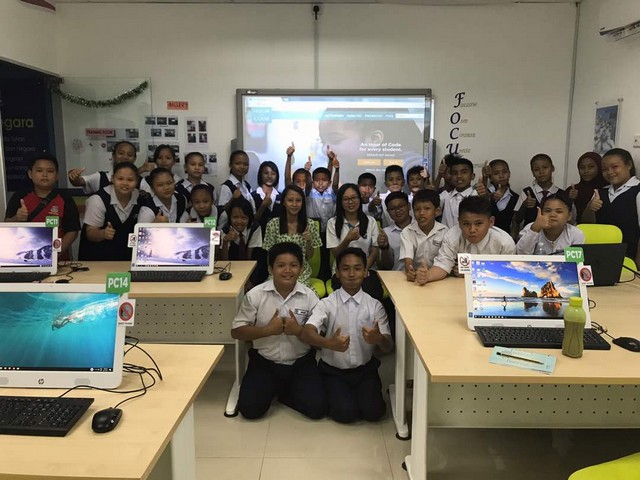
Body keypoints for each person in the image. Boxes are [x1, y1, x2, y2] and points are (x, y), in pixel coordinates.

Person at [231, 242, 327, 420]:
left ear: (301, 268)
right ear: (270, 268)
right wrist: (266, 330)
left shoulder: (310, 297)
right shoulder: (255, 295)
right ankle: (278, 388)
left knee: (318, 409)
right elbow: (236, 331)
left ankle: (281, 390)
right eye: (281, 265)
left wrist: (298, 331)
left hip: (301, 363)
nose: (287, 271)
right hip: (264, 362)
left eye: (293, 265)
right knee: (250, 410)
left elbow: (320, 338)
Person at [301, 247, 393, 424]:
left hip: (365, 370)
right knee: (344, 414)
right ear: (337, 272)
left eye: (357, 268)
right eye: (345, 268)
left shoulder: (375, 305)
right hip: (333, 371)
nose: (351, 274)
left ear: (366, 272)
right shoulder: (326, 303)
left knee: (374, 412)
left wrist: (379, 339)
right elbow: (307, 333)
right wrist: (329, 343)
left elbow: (388, 346)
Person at [416, 196, 516, 285]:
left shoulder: (505, 243)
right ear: (459, 222)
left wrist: (472, 272)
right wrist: (427, 276)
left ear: (491, 222)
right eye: (466, 224)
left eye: (478, 223)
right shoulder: (452, 236)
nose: (472, 229)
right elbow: (443, 265)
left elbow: (509, 276)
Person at [5, 153, 80, 260]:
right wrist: (17, 218)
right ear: (30, 174)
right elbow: (6, 226)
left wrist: (55, 253)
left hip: (59, 260)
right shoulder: (19, 196)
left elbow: (72, 231)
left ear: (57, 175)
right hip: (24, 258)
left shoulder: (65, 198)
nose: (45, 175)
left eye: (50, 171)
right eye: (39, 170)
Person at [583, 148, 640, 267]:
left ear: (629, 165)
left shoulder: (637, 190)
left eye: (615, 167)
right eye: (605, 169)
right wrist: (590, 208)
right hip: (600, 256)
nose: (609, 172)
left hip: (629, 257)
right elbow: (587, 223)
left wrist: (638, 262)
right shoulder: (600, 192)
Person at [326, 183, 383, 299]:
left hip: (366, 269)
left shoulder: (370, 221)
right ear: (340, 202)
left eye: (354, 198)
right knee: (348, 292)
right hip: (342, 271)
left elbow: (374, 250)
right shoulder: (332, 223)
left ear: (359, 199)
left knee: (370, 290)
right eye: (346, 199)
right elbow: (335, 253)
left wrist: (364, 268)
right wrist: (347, 240)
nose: (350, 202)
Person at [78, 161, 143, 261]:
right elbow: (90, 232)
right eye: (120, 179)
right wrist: (102, 233)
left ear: (137, 181)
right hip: (97, 260)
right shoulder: (98, 199)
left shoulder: (141, 198)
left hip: (126, 259)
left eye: (130, 180)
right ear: (112, 179)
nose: (125, 183)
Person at [262, 185, 322, 289]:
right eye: (290, 200)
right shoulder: (273, 224)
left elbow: (310, 255)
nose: (294, 204)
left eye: (298, 200)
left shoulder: (310, 224)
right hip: (278, 271)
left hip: (300, 271)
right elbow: (270, 255)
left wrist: (308, 241)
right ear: (284, 202)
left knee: (298, 293)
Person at [400, 189, 448, 282]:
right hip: (417, 277)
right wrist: (410, 271)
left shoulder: (444, 231)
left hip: (438, 277)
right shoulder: (407, 232)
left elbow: (445, 261)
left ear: (437, 211)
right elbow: (408, 260)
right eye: (417, 209)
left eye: (427, 208)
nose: (421, 213)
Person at [515, 154, 573, 230]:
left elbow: (569, 220)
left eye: (545, 167)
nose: (541, 172)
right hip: (531, 234)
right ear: (532, 172)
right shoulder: (527, 192)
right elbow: (516, 220)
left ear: (552, 168)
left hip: (555, 234)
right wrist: (524, 205)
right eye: (536, 169)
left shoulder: (562, 194)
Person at [516, 193, 585, 255]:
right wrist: (535, 229)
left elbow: (576, 262)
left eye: (559, 211)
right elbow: (520, 255)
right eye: (547, 211)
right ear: (541, 213)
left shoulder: (575, 234)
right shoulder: (531, 228)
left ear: (569, 216)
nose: (552, 215)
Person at [67, 140, 137, 195]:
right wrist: (74, 176)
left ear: (134, 159)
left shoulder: (140, 181)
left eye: (130, 155)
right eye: (121, 153)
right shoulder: (101, 177)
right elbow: (79, 182)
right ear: (113, 156)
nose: (125, 157)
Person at [476, 159, 521, 237]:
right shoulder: (483, 194)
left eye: (504, 172)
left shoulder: (515, 197)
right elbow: (482, 202)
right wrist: (485, 178)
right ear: (490, 177)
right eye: (496, 173)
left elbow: (515, 223)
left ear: (509, 174)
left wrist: (512, 240)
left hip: (506, 238)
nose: (501, 176)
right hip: (485, 237)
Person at [566, 152, 607, 224]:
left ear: (599, 168)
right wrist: (571, 200)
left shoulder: (607, 189)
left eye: (591, 167)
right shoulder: (572, 190)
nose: (586, 171)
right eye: (582, 167)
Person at [438, 156, 478, 228]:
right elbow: (429, 200)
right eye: (455, 173)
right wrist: (439, 176)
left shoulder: (477, 195)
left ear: (472, 176)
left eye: (464, 172)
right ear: (451, 176)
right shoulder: (446, 196)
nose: (459, 176)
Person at [377, 191, 412, 272]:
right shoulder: (386, 234)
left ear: (409, 206)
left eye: (401, 206)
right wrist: (385, 248)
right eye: (392, 209)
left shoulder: (420, 227)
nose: (397, 211)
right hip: (395, 277)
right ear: (388, 211)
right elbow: (385, 267)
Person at [217, 150, 256, 215]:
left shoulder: (247, 185)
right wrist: (233, 199)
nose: (242, 167)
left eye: (246, 164)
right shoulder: (226, 187)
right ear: (230, 165)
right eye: (238, 163)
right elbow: (221, 211)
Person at [252, 160, 282, 234]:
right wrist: (263, 205)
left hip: (277, 235)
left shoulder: (281, 196)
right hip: (258, 235)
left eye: (273, 173)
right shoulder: (253, 196)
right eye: (266, 173)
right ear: (260, 175)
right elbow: (252, 220)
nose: (269, 176)